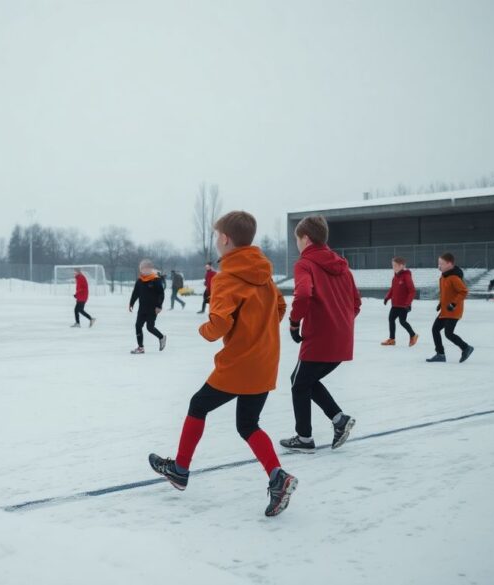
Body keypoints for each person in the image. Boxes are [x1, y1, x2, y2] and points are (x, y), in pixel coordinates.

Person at [149, 210, 297, 517]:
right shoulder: (264, 274)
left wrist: (205, 329)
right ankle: (277, 477)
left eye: (217, 235)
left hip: (238, 365)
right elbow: (280, 308)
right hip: (265, 361)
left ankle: (179, 469)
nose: (217, 240)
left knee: (198, 405)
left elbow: (217, 325)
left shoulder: (227, 277)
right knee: (248, 424)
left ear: (225, 239)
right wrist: (257, 330)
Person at [281, 215, 360, 453]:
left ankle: (304, 438)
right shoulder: (342, 267)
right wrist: (340, 324)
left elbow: (303, 294)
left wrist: (295, 323)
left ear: (305, 238)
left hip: (319, 338)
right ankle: (339, 420)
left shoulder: (304, 264)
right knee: (304, 380)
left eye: (297, 238)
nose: (297, 243)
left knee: (299, 383)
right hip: (341, 339)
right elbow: (355, 303)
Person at [427, 253, 475, 363]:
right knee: (435, 329)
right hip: (445, 310)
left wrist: (453, 304)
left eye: (441, 264)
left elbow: (463, 292)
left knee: (448, 333)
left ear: (449, 264)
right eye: (438, 263)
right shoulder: (443, 277)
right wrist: (441, 303)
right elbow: (445, 293)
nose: (439, 266)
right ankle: (440, 354)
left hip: (453, 310)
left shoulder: (454, 277)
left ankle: (466, 348)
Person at [128, 260, 165, 354]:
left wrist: (159, 306)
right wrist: (131, 303)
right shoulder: (140, 280)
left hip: (153, 309)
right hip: (142, 308)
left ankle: (161, 337)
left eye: (146, 268)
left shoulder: (156, 279)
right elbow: (135, 293)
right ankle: (140, 347)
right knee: (138, 326)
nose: (144, 270)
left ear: (150, 269)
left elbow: (161, 294)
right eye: (142, 269)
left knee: (150, 327)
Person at [381, 256, 419, 346]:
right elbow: (392, 289)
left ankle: (413, 335)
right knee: (391, 319)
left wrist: (408, 304)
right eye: (392, 265)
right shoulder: (395, 277)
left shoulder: (406, 276)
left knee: (402, 321)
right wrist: (387, 297)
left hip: (403, 305)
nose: (393, 267)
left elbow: (412, 291)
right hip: (395, 304)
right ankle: (392, 339)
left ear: (401, 266)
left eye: (395, 265)